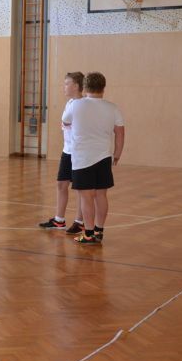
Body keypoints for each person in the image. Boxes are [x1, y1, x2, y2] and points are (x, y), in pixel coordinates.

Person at [62, 72, 125, 245]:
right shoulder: (113, 107)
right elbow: (120, 133)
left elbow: (65, 121)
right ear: (103, 88)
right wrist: (117, 154)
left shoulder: (76, 105)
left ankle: (88, 234)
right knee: (101, 195)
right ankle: (99, 230)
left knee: (86, 196)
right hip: (104, 156)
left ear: (85, 87)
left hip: (82, 157)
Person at [39, 72, 86, 234]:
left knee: (81, 189)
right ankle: (59, 220)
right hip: (67, 151)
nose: (64, 87)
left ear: (76, 86)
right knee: (61, 184)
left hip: (79, 153)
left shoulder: (83, 104)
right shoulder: (70, 103)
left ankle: (80, 221)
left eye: (67, 83)